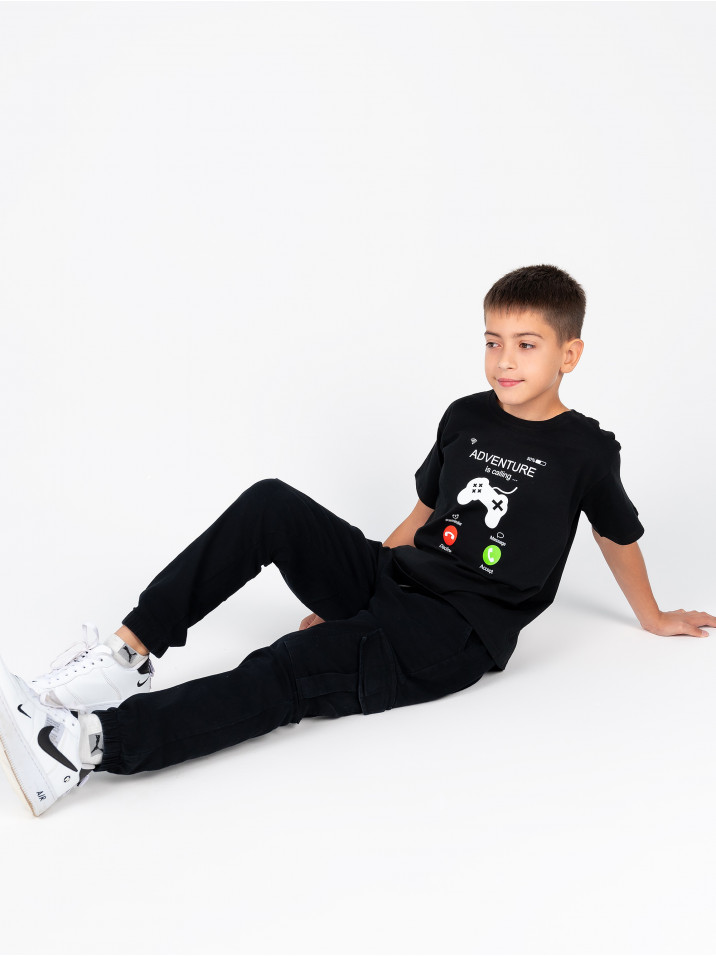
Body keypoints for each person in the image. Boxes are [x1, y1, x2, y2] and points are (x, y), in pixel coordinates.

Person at [1, 264, 713, 817]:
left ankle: (87, 748)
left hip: (450, 633)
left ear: (570, 354)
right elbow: (425, 511)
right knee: (270, 504)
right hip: (396, 578)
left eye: (527, 345)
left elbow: (617, 534)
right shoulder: (466, 415)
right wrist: (356, 589)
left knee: (287, 667)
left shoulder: (586, 451)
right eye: (493, 341)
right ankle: (126, 655)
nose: (505, 360)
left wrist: (653, 617)